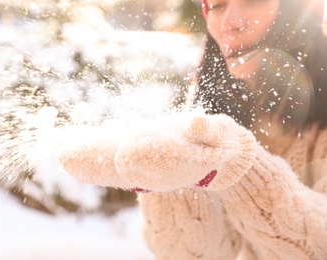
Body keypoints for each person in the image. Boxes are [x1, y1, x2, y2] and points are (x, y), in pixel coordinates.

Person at [59, 0, 327, 259]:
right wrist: (165, 179)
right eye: (217, 6)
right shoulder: (214, 111)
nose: (230, 23)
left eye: (254, 0)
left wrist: (239, 163)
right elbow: (205, 254)